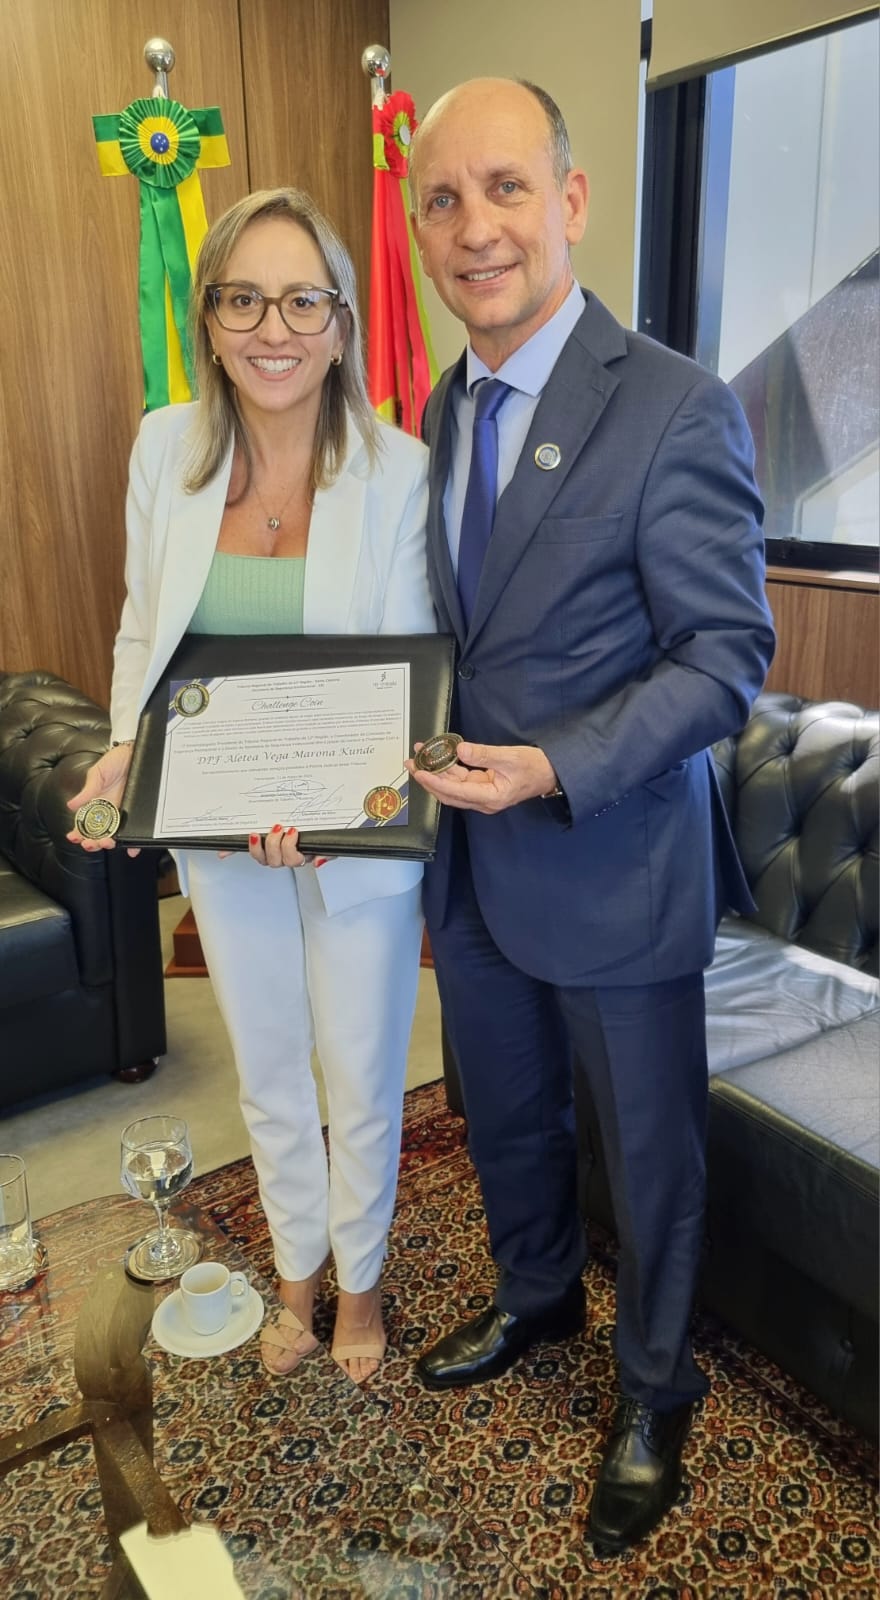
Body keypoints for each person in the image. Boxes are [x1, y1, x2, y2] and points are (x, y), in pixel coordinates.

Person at [405, 79, 775, 1553]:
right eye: (442, 199)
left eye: (503, 188)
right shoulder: (443, 402)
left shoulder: (676, 402)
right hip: (474, 867)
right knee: (505, 1118)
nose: (472, 228)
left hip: (614, 860)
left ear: (569, 200)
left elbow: (726, 657)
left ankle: (653, 1386)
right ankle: (540, 1294)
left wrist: (555, 765)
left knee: (651, 1150)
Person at [68, 187, 434, 1384]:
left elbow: (407, 664)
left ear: (339, 321)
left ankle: (365, 1289)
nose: (271, 328)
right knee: (267, 1060)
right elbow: (143, 636)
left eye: (301, 299)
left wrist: (342, 810)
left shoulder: (397, 469)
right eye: (242, 299)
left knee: (360, 1062)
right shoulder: (163, 446)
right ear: (209, 314)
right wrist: (129, 753)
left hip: (354, 835)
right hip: (221, 828)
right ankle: (295, 1277)